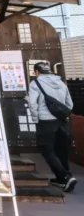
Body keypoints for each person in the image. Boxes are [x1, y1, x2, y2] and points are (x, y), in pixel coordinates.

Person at [28, 61, 76, 192]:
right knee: (61, 150)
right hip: (61, 121)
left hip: (45, 121)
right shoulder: (60, 83)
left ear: (36, 72)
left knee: (47, 150)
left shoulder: (35, 83)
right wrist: (61, 114)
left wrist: (35, 119)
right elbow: (70, 104)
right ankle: (62, 179)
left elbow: (32, 104)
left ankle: (65, 177)